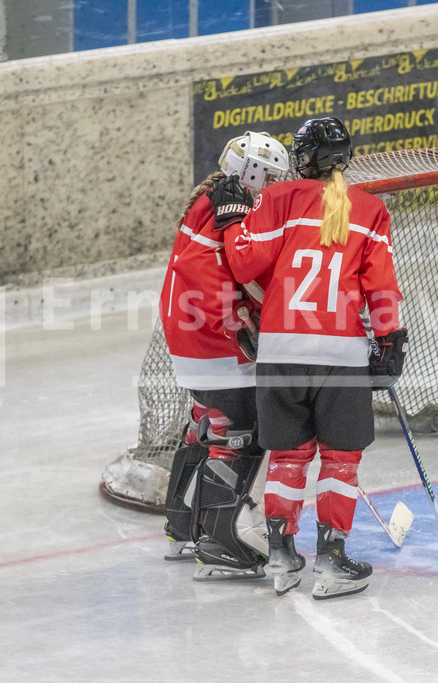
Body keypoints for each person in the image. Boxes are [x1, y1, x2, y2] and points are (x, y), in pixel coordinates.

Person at [210, 117, 408, 600]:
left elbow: (245, 262)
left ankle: (280, 554)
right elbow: (379, 286)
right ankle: (333, 561)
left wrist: (232, 220)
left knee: (288, 455)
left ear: (304, 158)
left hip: (279, 351)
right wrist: (390, 339)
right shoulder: (369, 210)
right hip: (339, 354)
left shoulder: (278, 198)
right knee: (340, 460)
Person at [158, 131, 290, 581]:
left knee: (204, 427)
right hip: (212, 344)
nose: (273, 182)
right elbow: (199, 269)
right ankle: (222, 540)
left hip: (193, 340)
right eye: (269, 174)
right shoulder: (223, 204)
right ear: (249, 172)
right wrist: (239, 321)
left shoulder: (219, 197)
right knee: (242, 435)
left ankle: (184, 527)